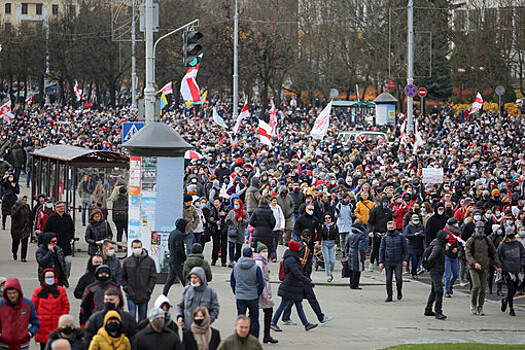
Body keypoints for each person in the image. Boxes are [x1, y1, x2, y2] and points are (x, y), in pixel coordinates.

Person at [270, 241, 317, 332]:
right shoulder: (292, 259)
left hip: (293, 286)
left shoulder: (291, 258)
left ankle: (306, 324)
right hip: (290, 286)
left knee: (298, 306)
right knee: (284, 305)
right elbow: (297, 273)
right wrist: (308, 281)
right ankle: (273, 322)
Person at [465, 221, 502, 315]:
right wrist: (474, 263)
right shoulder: (471, 240)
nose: (480, 230)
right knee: (476, 286)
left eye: (481, 228)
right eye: (478, 228)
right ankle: (473, 304)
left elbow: (494, 253)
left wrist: (497, 265)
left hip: (484, 266)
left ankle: (480, 306)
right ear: (475, 229)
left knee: (483, 288)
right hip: (473, 267)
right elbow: (468, 254)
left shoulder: (487, 240)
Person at [230, 247, 265, 339]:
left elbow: (232, 282)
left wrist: (236, 291)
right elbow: (261, 283)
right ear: (252, 255)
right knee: (254, 319)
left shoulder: (236, 267)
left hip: (240, 296)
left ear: (242, 255)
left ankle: (240, 338)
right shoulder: (255, 268)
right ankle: (254, 339)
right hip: (252, 296)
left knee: (240, 318)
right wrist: (257, 293)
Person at [32, 268, 70, 350]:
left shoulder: (61, 290)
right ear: (43, 279)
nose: (50, 279)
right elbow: (33, 308)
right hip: (42, 325)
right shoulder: (38, 291)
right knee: (44, 347)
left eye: (51, 277)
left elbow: (66, 306)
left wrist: (62, 319)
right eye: (48, 277)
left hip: (57, 325)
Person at [122, 240, 157, 322]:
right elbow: (123, 277)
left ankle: (141, 334)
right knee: (132, 316)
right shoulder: (127, 261)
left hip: (144, 294)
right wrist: (126, 288)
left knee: (142, 318)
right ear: (132, 248)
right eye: (135, 247)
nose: (137, 249)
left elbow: (153, 277)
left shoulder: (149, 261)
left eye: (139, 247)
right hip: (131, 294)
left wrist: (149, 290)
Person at [176, 267, 220, 331]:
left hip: (203, 329)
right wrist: (179, 316)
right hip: (187, 328)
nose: (193, 280)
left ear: (201, 278)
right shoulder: (187, 290)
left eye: (195, 278)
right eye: (191, 277)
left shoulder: (210, 292)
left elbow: (215, 309)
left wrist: (208, 321)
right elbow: (180, 306)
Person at [0, 278, 39, 348]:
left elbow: (35, 323)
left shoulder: (28, 304)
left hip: (22, 345)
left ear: (19, 292)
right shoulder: (1, 305)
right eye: (9, 293)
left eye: (14, 293)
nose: (12, 295)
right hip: (4, 345)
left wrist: (29, 334)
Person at [44, 201, 75, 283]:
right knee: (57, 264)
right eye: (60, 207)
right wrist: (50, 242)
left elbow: (72, 229)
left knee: (68, 262)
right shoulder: (51, 218)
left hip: (66, 245)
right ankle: (59, 279)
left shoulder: (68, 217)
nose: (62, 208)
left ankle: (65, 277)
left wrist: (70, 238)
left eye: (63, 206)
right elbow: (46, 231)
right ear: (56, 208)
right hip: (56, 245)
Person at [253, 242, 278, 344]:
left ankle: (265, 335)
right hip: (262, 292)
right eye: (263, 251)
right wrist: (265, 296)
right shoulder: (259, 262)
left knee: (265, 311)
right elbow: (261, 280)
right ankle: (264, 335)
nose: (265, 253)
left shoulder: (262, 261)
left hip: (262, 291)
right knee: (266, 311)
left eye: (266, 251)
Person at [498, 227, 525, 316]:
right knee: (510, 289)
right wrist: (500, 266)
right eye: (509, 232)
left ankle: (505, 300)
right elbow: (498, 257)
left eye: (512, 232)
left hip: (517, 269)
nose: (511, 233)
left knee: (515, 289)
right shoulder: (502, 245)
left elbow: (523, 254)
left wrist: (521, 263)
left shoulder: (518, 244)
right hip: (507, 270)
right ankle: (511, 308)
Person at [378, 221, 408, 302]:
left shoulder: (401, 236)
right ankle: (389, 295)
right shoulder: (384, 237)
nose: (390, 229)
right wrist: (381, 262)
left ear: (395, 227)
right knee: (388, 279)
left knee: (398, 278)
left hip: (398, 260)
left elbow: (405, 249)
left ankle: (399, 291)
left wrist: (405, 259)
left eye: (391, 228)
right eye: (389, 228)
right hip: (388, 261)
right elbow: (382, 250)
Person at [424, 230, 449, 320]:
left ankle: (428, 309)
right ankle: (438, 311)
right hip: (436, 271)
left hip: (435, 270)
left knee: (434, 290)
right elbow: (431, 258)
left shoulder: (436, 244)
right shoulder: (438, 247)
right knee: (439, 290)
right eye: (446, 237)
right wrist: (432, 267)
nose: (448, 238)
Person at [368, 196, 393, 271]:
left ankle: (384, 267)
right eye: (384, 201)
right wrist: (371, 231)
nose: (385, 203)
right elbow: (370, 222)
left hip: (385, 233)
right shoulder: (376, 210)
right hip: (377, 233)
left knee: (385, 250)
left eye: (386, 202)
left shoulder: (389, 211)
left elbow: (390, 221)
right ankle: (371, 263)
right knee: (375, 249)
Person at [164, 219, 188, 295]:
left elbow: (169, 246)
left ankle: (163, 297)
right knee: (185, 281)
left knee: (170, 280)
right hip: (178, 261)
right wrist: (184, 257)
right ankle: (190, 298)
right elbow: (179, 249)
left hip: (172, 259)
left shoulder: (173, 233)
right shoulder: (179, 235)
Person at [225, 198, 249, 267]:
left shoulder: (244, 212)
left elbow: (247, 221)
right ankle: (231, 261)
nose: (236, 206)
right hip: (232, 232)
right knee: (231, 247)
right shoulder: (231, 212)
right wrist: (228, 219)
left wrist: (242, 220)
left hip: (240, 232)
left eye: (237, 204)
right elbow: (226, 222)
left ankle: (237, 259)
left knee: (239, 248)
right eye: (235, 204)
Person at [346, 219, 368, 289]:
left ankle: (351, 284)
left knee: (351, 269)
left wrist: (347, 253)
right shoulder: (361, 236)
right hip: (357, 253)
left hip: (350, 252)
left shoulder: (350, 235)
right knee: (357, 269)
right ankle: (355, 285)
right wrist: (363, 256)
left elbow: (347, 245)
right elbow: (361, 247)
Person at [442, 218, 461, 298]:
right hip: (447, 255)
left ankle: (450, 285)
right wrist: (448, 248)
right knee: (448, 274)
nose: (456, 224)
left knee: (456, 274)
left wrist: (457, 248)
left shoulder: (458, 232)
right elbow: (442, 243)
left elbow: (460, 242)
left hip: (455, 255)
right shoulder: (445, 232)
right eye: (455, 223)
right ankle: (447, 291)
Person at [10, 195, 32, 262]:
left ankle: (23, 257)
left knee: (24, 243)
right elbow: (13, 216)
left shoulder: (27, 207)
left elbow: (30, 215)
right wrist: (18, 209)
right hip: (17, 228)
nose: (24, 202)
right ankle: (14, 252)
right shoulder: (15, 207)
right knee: (16, 242)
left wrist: (31, 224)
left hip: (25, 228)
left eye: (25, 200)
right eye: (23, 200)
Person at [319, 212, 339, 282]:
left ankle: (331, 271)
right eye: (326, 218)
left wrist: (336, 244)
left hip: (332, 243)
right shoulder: (322, 226)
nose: (328, 219)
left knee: (332, 261)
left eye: (329, 218)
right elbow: (320, 235)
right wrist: (318, 242)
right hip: (324, 243)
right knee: (326, 260)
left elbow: (337, 235)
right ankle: (328, 275)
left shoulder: (334, 226)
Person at [405, 214, 425, 279]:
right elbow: (406, 235)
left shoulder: (421, 226)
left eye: (417, 220)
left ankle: (415, 270)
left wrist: (421, 235)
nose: (416, 221)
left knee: (418, 260)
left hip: (419, 245)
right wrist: (414, 235)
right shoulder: (409, 227)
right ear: (412, 220)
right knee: (414, 260)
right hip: (411, 245)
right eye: (415, 220)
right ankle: (414, 273)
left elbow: (425, 234)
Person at [335, 193, 353, 257]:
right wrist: (338, 212)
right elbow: (336, 216)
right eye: (346, 198)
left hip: (348, 223)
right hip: (341, 224)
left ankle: (347, 251)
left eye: (348, 198)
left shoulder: (350, 205)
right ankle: (343, 251)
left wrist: (353, 212)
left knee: (347, 239)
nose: (347, 199)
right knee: (342, 239)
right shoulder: (339, 205)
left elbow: (352, 215)